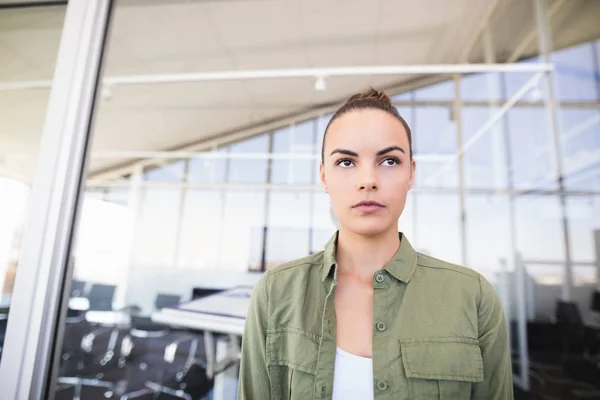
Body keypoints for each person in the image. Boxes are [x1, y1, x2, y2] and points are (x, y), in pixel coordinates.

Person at [238, 88, 513, 399]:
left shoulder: (472, 298)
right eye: (346, 162)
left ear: (412, 172)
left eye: (390, 160)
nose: (368, 180)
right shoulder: (277, 292)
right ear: (323, 176)